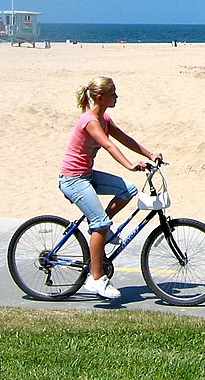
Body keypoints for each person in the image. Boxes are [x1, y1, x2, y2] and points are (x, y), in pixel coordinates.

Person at [58, 76, 162, 300]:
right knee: (100, 223)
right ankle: (95, 279)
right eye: (113, 93)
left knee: (128, 190)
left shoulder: (103, 118)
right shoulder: (90, 121)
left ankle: (101, 234)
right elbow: (108, 145)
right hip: (72, 180)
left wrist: (149, 154)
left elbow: (124, 138)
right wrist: (130, 165)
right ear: (100, 97)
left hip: (86, 175)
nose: (117, 97)